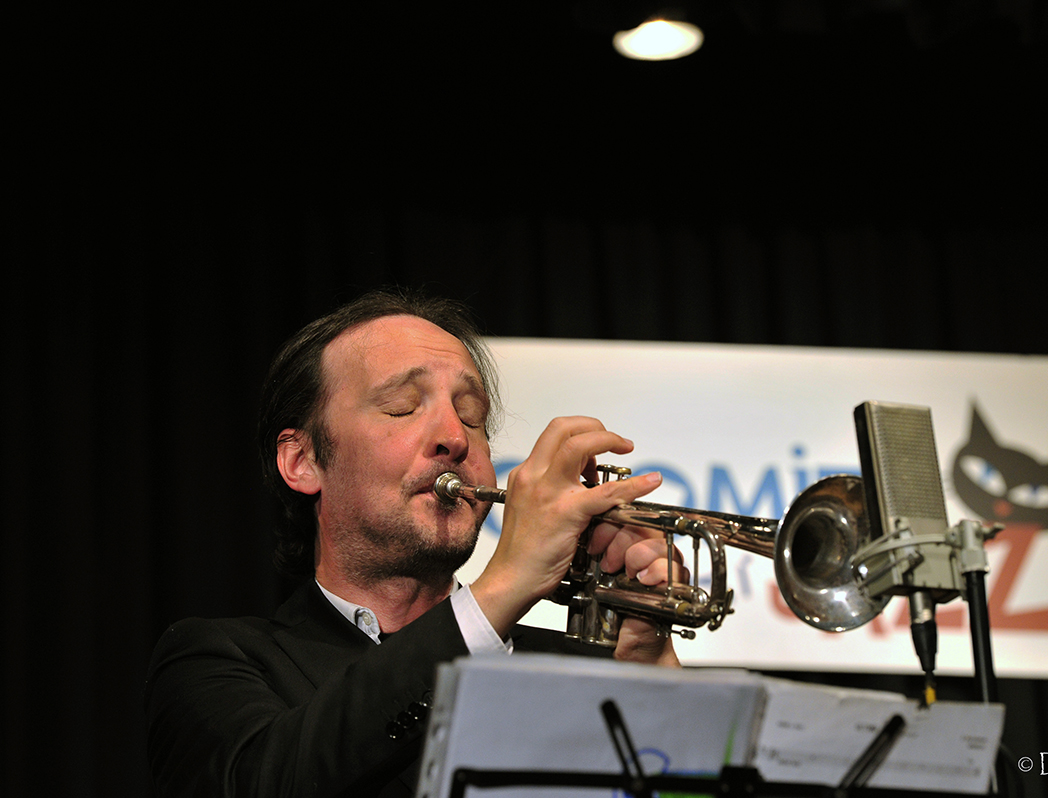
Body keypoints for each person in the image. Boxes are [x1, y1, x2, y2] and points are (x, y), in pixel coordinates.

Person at [144, 288, 683, 797]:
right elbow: (270, 782)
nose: (455, 435)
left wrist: (648, 675)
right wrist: (504, 585)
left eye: (472, 416)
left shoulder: (578, 670)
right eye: (403, 406)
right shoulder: (217, 660)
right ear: (302, 461)